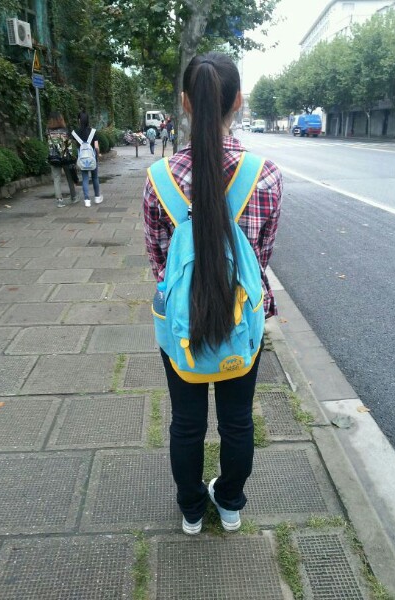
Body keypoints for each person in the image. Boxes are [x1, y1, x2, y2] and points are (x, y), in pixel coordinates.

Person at [143, 52, 282, 535]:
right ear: (238, 102)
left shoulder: (159, 179)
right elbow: (260, 259)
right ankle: (229, 504)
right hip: (243, 321)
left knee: (186, 422)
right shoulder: (265, 174)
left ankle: (190, 510)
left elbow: (160, 264)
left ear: (185, 103)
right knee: (238, 420)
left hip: (182, 323)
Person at [46, 112, 78, 208]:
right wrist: (71, 156)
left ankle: (59, 200)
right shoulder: (65, 131)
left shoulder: (48, 132)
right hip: (65, 157)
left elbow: (49, 145)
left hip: (53, 157)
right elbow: (68, 145)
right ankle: (73, 197)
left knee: (56, 179)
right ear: (61, 120)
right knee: (69, 177)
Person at [72, 110, 103, 207]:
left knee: (85, 178)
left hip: (82, 159)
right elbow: (96, 147)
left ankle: (87, 200)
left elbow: (72, 145)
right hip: (92, 159)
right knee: (95, 177)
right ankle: (97, 197)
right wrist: (98, 154)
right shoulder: (93, 132)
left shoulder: (75, 133)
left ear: (79, 120)